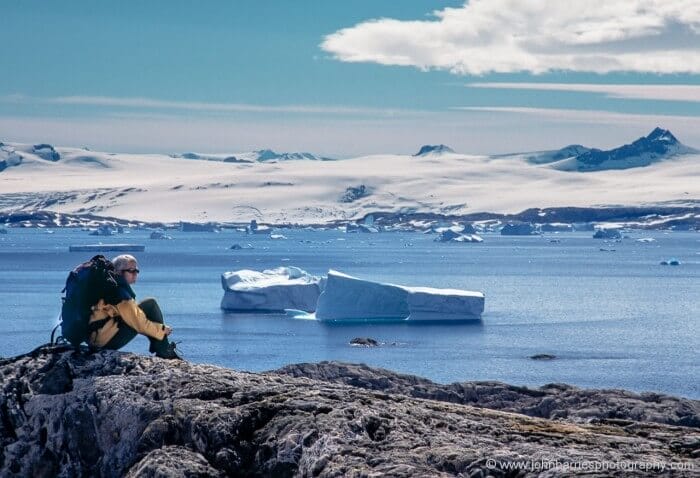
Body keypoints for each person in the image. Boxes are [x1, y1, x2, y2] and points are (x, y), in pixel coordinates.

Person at [87, 254, 181, 359]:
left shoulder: (105, 284)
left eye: (136, 271)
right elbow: (139, 323)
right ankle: (164, 351)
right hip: (103, 343)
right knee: (150, 305)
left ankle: (161, 347)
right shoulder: (119, 292)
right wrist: (162, 329)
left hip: (94, 337)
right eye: (131, 271)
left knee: (144, 308)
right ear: (118, 271)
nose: (135, 274)